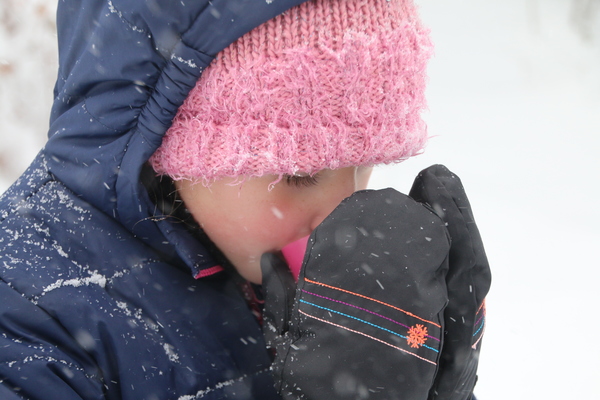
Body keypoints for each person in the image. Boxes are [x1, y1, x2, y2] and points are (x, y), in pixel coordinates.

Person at [0, 0, 491, 399]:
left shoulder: (244, 248)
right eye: (300, 174)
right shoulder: (26, 324)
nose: (342, 215)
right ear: (172, 142)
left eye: (365, 164)